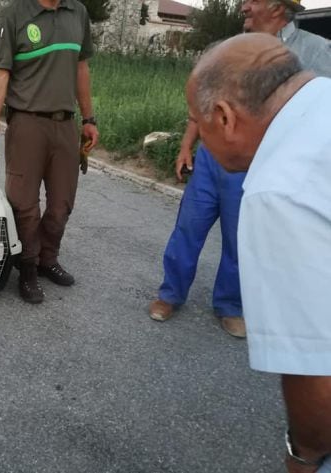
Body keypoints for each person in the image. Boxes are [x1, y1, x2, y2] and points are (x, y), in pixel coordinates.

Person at [186, 32, 331, 473]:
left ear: (225, 117)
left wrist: (303, 453)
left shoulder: (279, 191)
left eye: (198, 123)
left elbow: (319, 370)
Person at [148, 0, 331, 338]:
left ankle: (230, 305)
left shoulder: (317, 52)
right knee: (189, 227)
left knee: (240, 239)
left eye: (254, 1)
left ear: (277, 7)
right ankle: (170, 294)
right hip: (210, 159)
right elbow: (205, 102)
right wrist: (187, 144)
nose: (245, 6)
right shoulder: (232, 49)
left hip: (258, 166)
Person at [0, 0, 99, 304]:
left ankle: (47, 258)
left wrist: (89, 119)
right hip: (27, 122)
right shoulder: (13, 15)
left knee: (62, 204)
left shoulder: (78, 13)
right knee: (24, 203)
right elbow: (0, 73)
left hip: (66, 124)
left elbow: (81, 66)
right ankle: (27, 266)